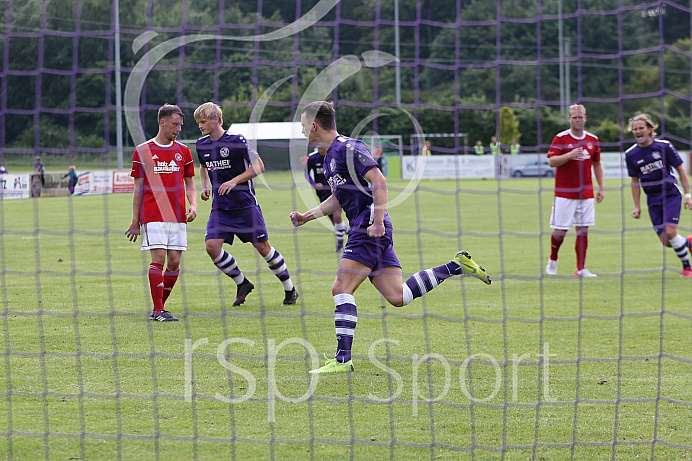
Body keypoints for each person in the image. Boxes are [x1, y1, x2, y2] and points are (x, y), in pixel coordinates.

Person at [290, 101, 491, 374]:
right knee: (398, 296)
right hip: (371, 228)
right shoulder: (328, 156)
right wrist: (307, 216)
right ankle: (456, 266)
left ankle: (342, 359)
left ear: (314, 125)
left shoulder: (349, 148)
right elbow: (339, 198)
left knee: (341, 288)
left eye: (303, 125)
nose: (301, 131)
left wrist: (375, 222)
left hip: (368, 228)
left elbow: (379, 181)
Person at [194, 102, 298, 307]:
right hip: (220, 208)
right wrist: (204, 186)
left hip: (245, 205)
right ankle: (242, 283)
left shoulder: (236, 140)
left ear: (215, 119)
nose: (200, 125)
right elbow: (203, 166)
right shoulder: (202, 144)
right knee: (211, 247)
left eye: (203, 121)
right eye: (198, 122)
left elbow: (259, 166)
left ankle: (289, 289)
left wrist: (234, 181)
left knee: (263, 248)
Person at [125, 104, 198, 322]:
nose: (179, 129)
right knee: (158, 258)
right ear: (163, 122)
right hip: (153, 213)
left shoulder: (183, 151)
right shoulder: (143, 150)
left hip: (177, 215)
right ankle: (158, 310)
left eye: (181, 125)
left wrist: (192, 204)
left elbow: (190, 183)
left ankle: (160, 307)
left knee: (174, 261)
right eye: (175, 124)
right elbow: (138, 189)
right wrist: (135, 221)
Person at [625, 113, 692, 277]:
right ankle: (689, 242)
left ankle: (687, 268)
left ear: (649, 129)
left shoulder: (664, 146)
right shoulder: (630, 154)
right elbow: (635, 181)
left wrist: (688, 195)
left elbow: (681, 171)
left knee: (670, 232)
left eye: (641, 128)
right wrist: (636, 206)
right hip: (652, 199)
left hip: (670, 193)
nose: (638, 131)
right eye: (635, 129)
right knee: (667, 241)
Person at [545, 104, 604, 277]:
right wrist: (569, 155)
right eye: (574, 117)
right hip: (564, 193)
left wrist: (601, 187)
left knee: (583, 230)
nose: (578, 120)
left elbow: (597, 163)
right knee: (560, 231)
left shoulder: (593, 139)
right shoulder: (561, 138)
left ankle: (581, 268)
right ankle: (553, 260)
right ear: (569, 118)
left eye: (581, 117)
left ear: (585, 118)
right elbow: (552, 161)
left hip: (586, 193)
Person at [305, 146, 349, 252]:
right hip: (322, 193)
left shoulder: (334, 157)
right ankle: (349, 231)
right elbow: (306, 173)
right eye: (318, 145)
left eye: (322, 145)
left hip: (336, 192)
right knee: (335, 220)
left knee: (337, 215)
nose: (320, 147)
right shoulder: (312, 158)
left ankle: (339, 245)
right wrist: (314, 184)